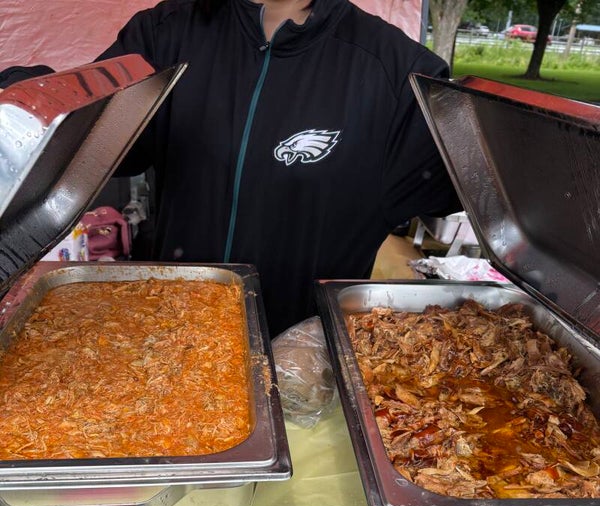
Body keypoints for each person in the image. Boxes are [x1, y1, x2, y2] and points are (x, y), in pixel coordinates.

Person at [0, 0, 459, 337]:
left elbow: (476, 188)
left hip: (302, 349)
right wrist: (24, 100)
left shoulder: (398, 73)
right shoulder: (166, 33)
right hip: (167, 335)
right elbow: (98, 140)